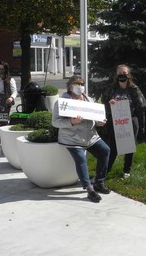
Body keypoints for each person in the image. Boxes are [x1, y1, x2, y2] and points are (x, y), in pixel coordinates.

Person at [52, 75, 111, 203]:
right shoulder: (62, 103)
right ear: (70, 86)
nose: (80, 86)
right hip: (72, 138)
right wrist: (71, 122)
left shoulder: (88, 100)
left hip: (90, 136)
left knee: (105, 151)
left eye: (82, 83)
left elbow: (95, 118)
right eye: (77, 84)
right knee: (81, 158)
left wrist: (100, 122)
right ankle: (89, 189)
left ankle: (99, 183)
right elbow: (55, 122)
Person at [102, 64, 146, 178]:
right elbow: (103, 102)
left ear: (129, 75)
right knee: (113, 148)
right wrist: (110, 102)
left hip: (130, 120)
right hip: (115, 121)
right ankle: (105, 172)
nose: (122, 76)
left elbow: (142, 105)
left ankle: (127, 170)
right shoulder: (111, 88)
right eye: (120, 74)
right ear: (116, 75)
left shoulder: (134, 89)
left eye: (124, 74)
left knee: (129, 147)